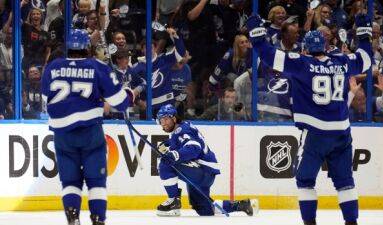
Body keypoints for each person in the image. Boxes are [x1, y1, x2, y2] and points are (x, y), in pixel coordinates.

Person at [246, 12, 372, 225]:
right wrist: (365, 34)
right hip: (342, 133)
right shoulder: (342, 61)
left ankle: (310, 223)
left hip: (315, 133)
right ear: (324, 47)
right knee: (345, 183)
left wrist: (257, 33)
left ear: (305, 48)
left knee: (305, 181)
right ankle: (352, 223)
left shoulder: (301, 63)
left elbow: (269, 55)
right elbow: (366, 59)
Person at [41, 29, 134, 225]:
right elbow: (121, 102)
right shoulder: (97, 67)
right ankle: (98, 219)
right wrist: (128, 94)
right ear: (87, 47)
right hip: (90, 131)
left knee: (70, 181)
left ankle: (73, 217)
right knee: (96, 181)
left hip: (62, 134)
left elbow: (44, 101)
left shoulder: (52, 67)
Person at [155, 104, 258, 216]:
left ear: (174, 118)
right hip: (205, 173)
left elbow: (194, 148)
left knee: (166, 163)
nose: (163, 123)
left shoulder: (182, 131)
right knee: (203, 209)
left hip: (202, 170)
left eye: (165, 119)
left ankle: (173, 201)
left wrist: (174, 154)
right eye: (161, 120)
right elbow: (185, 141)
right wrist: (169, 144)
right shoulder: (181, 129)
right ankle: (241, 205)